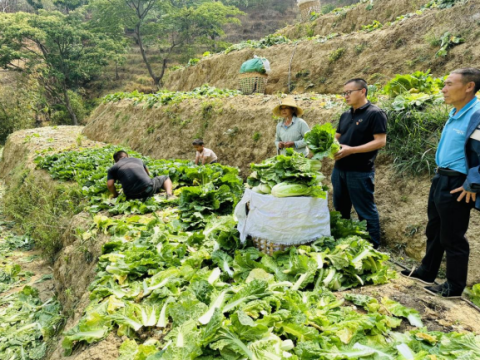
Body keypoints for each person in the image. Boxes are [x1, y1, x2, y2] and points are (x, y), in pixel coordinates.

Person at [401, 68, 480, 298]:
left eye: (448, 84)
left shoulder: (477, 114)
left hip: (458, 183)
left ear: (468, 87)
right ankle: (427, 271)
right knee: (434, 229)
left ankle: (454, 287)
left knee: (452, 236)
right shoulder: (457, 112)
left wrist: (472, 183)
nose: (443, 89)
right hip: (441, 178)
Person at [332, 78, 387, 249]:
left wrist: (351, 150)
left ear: (362, 91)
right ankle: (344, 241)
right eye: (344, 93)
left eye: (349, 92)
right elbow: (337, 137)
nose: (346, 96)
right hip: (339, 169)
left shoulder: (375, 113)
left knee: (365, 210)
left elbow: (380, 141)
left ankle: (372, 247)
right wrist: (328, 147)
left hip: (360, 171)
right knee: (341, 209)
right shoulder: (346, 115)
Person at [107, 150, 173, 200]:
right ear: (127, 156)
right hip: (148, 189)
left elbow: (110, 185)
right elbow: (147, 174)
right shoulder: (137, 160)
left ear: (116, 161)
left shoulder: (113, 168)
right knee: (165, 177)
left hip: (131, 196)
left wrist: (116, 194)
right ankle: (169, 195)